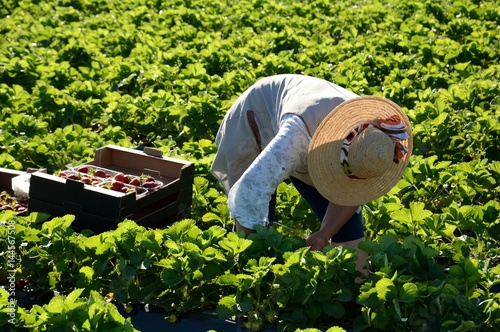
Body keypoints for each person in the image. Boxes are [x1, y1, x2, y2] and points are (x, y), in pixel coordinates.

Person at [210, 74, 412, 275]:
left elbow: (351, 194)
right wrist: (256, 261)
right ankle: (251, 274)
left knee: (347, 226)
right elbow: (249, 192)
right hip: (254, 117)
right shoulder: (296, 137)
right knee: (259, 219)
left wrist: (324, 235)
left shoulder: (375, 142)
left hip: (309, 126)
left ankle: (357, 284)